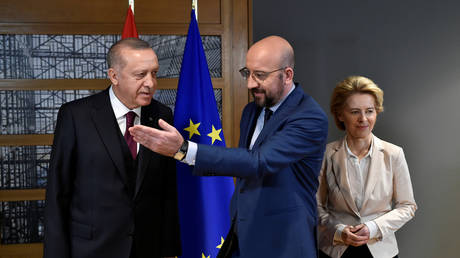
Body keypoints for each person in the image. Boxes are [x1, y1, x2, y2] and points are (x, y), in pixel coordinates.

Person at [129, 35, 328, 258]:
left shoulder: (309, 117)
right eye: (247, 73)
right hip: (242, 237)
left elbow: (258, 162)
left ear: (287, 75)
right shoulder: (252, 110)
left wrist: (185, 149)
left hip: (284, 243)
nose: (250, 83)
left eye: (260, 75)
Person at [44, 38, 181, 258]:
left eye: (154, 73)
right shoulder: (75, 116)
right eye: (140, 75)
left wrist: (168, 250)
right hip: (90, 249)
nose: (150, 83)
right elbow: (58, 192)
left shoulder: (162, 115)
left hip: (147, 248)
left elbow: (167, 189)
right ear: (114, 76)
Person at [317, 76, 417, 258]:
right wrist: (339, 231)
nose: (363, 119)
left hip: (381, 250)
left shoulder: (394, 154)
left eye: (369, 111)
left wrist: (373, 228)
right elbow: (315, 206)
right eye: (354, 112)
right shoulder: (326, 155)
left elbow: (407, 206)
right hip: (335, 251)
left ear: (377, 112)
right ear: (340, 114)